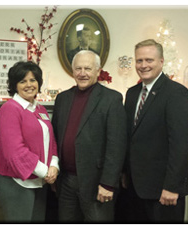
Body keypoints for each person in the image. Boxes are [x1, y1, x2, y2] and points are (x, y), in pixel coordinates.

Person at [122, 39, 188, 223]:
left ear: (161, 61)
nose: (143, 65)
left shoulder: (176, 93)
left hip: (163, 191)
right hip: (134, 189)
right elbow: (129, 139)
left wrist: (172, 186)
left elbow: (181, 145)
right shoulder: (131, 94)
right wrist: (124, 173)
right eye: (139, 61)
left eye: (149, 60)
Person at [52, 50, 126, 222]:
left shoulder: (111, 99)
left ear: (98, 71)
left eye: (88, 68)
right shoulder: (62, 99)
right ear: (72, 71)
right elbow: (55, 138)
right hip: (66, 182)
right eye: (78, 68)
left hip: (96, 183)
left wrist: (108, 183)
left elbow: (116, 145)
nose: (82, 73)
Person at [0, 61, 59, 222]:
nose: (29, 85)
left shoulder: (40, 109)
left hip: (39, 180)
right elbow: (14, 152)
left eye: (33, 80)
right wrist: (46, 172)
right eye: (23, 81)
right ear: (14, 85)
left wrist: (54, 165)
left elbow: (51, 141)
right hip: (16, 182)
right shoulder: (10, 109)